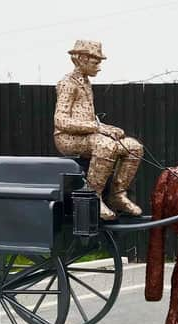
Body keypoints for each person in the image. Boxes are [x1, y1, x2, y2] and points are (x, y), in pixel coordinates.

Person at [54, 40, 144, 220]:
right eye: (96, 62)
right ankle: (93, 197)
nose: (99, 67)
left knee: (133, 147)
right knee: (106, 145)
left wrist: (106, 128)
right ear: (81, 59)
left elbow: (87, 120)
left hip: (87, 136)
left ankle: (117, 195)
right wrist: (98, 128)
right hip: (67, 138)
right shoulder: (67, 84)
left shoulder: (86, 83)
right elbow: (60, 121)